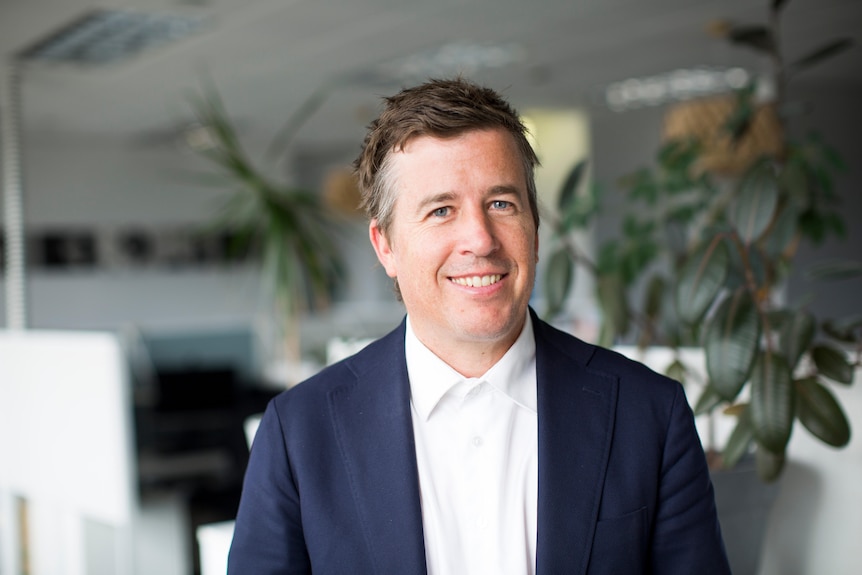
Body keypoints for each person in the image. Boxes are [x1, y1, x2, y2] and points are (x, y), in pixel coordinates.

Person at [227, 78, 730, 574]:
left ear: (535, 228)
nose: (480, 239)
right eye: (441, 210)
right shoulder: (298, 434)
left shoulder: (649, 414)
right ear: (386, 246)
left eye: (501, 204)